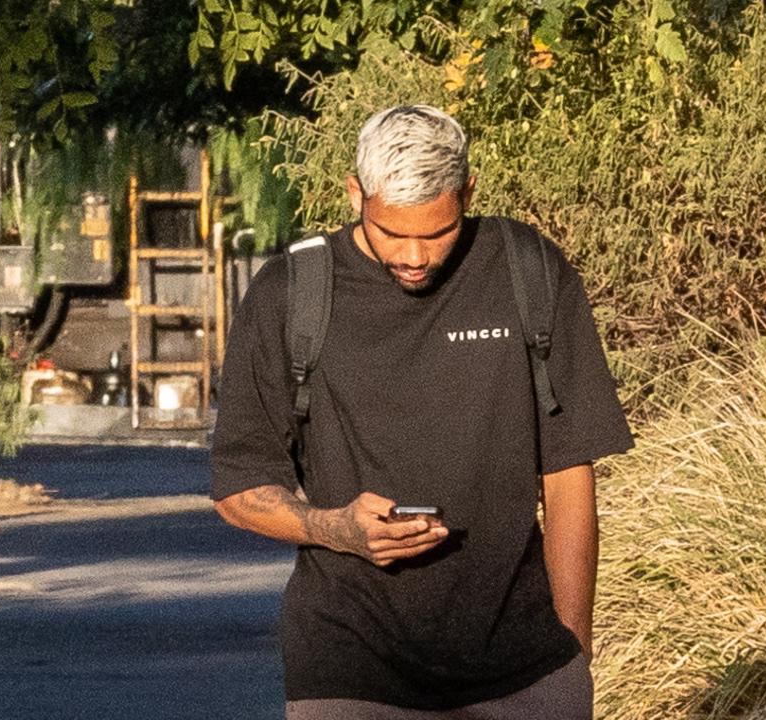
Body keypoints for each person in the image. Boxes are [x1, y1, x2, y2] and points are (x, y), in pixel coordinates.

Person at [210, 105, 634, 719]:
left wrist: (574, 657)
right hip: (347, 670)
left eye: (437, 233)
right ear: (355, 193)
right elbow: (237, 488)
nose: (414, 255)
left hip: (526, 671)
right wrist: (337, 531)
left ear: (467, 193)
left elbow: (567, 472)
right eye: (391, 232)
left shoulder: (529, 271)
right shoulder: (289, 293)